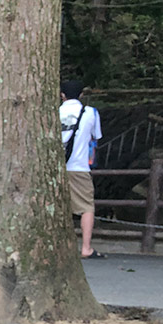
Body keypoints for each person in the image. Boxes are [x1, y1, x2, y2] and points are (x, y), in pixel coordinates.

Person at [60, 80, 104, 259]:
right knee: (86, 206)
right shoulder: (90, 113)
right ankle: (86, 247)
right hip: (79, 166)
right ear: (81, 95)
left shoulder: (52, 112)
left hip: (55, 167)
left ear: (62, 95)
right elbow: (96, 137)